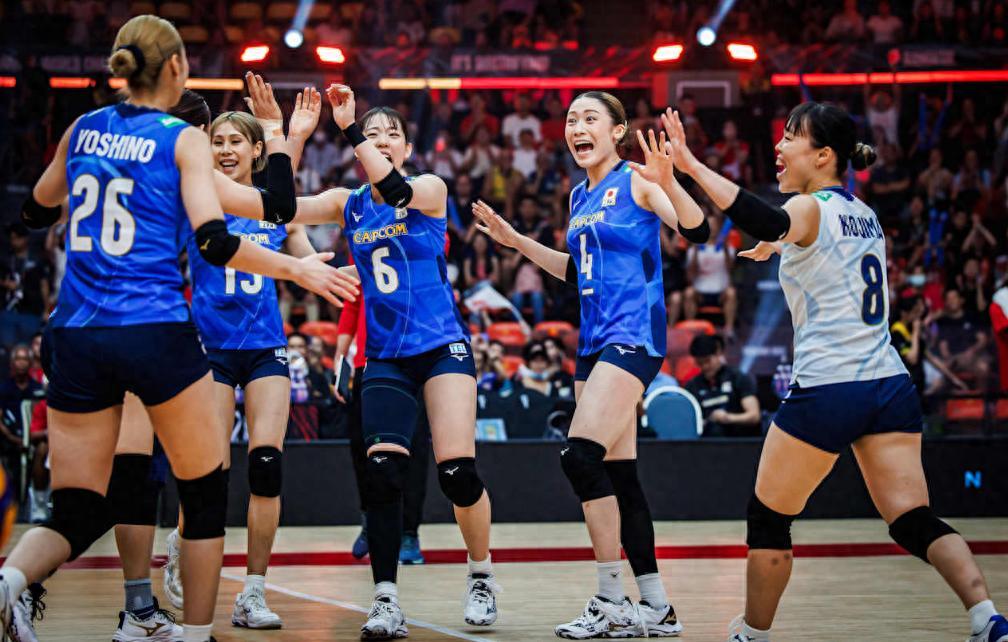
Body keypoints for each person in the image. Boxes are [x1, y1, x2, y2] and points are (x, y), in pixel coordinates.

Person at [4, 15, 356, 642]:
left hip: (74, 333)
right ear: (174, 68)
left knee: (80, 505)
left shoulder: (83, 129)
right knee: (203, 490)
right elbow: (229, 235)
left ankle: (10, 582)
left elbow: (33, 210)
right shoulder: (181, 140)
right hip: (152, 329)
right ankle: (192, 632)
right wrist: (294, 262)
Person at [658, 101, 1008, 642]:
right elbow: (813, 241)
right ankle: (987, 616)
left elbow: (775, 218)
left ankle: (753, 633)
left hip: (829, 387)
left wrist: (691, 166)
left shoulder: (809, 206)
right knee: (912, 519)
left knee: (769, 518)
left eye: (790, 137)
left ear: (823, 156)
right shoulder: (864, 213)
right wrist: (778, 242)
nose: (778, 146)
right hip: (888, 385)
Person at [474, 89, 708, 639]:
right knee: (619, 474)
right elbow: (571, 270)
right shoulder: (580, 194)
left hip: (633, 336)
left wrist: (670, 180)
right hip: (593, 342)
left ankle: (611, 599)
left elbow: (695, 229)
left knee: (579, 457)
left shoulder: (638, 179)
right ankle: (656, 606)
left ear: (618, 131)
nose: (577, 127)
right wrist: (515, 241)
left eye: (589, 118)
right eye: (571, 119)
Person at [290, 86, 499, 638]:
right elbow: (278, 207)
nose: (382, 141)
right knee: (383, 472)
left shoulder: (430, 189)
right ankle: (385, 599)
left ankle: (481, 574)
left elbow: (397, 189)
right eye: (372, 134)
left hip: (441, 348)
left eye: (392, 135)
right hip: (384, 356)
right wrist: (290, 139)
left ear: (406, 148)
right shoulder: (347, 202)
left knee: (456, 474)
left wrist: (351, 128)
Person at [335, 252, 431, 566]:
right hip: (366, 361)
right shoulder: (363, 236)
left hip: (412, 355)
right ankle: (370, 520)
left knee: (413, 449)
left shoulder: (423, 232)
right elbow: (352, 302)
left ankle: (409, 532)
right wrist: (340, 359)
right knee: (362, 447)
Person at [683, 334, 760, 437]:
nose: (705, 366)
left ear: (718, 354)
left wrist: (727, 418)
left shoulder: (738, 378)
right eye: (700, 363)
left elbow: (754, 416)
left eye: (707, 361)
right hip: (706, 441)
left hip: (739, 439)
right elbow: (685, 421)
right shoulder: (692, 386)